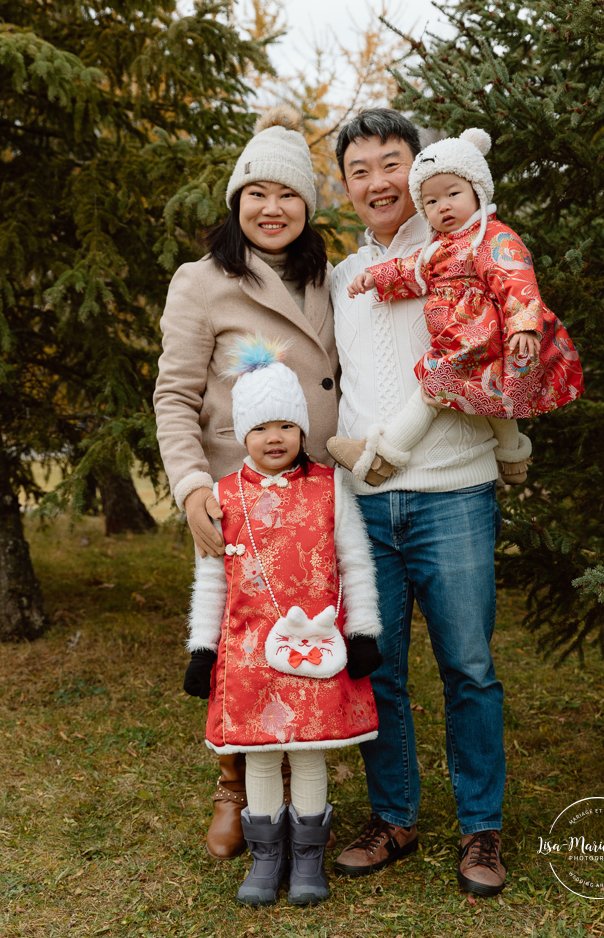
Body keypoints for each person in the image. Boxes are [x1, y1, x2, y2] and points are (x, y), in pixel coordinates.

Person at [329, 109, 514, 897]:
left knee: (468, 666)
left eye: (390, 164)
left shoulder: (466, 251)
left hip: (454, 491)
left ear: (420, 169)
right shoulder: (341, 277)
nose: (377, 181)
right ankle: (393, 817)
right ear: (344, 187)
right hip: (364, 500)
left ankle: (482, 831)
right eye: (359, 170)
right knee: (382, 670)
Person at [153, 106, 339, 860]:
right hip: (234, 494)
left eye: (288, 194)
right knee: (239, 645)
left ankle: (303, 783)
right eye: (257, 192)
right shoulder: (202, 282)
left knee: (306, 633)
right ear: (237, 202)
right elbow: (173, 394)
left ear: (307, 206)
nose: (272, 208)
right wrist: (192, 483)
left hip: (318, 495)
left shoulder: (329, 277)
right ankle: (236, 787)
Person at [182, 335, 382, 906]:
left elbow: (355, 564)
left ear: (301, 429)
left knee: (310, 751)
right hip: (247, 651)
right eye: (262, 427)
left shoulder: (329, 489)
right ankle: (267, 860)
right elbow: (212, 580)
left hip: (315, 648)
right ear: (242, 433)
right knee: (262, 753)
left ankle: (309, 858)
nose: (276, 438)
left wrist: (363, 631)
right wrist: (203, 648)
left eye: (287, 426)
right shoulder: (221, 498)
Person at [329, 128, 583, 483]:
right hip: (461, 336)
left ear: (477, 192)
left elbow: (516, 276)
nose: (443, 206)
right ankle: (513, 458)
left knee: (434, 386)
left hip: (481, 336)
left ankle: (382, 458)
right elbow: (413, 271)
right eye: (431, 202)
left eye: (453, 194)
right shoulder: (438, 248)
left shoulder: (492, 237)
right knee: (491, 392)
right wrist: (377, 277)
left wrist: (524, 323)